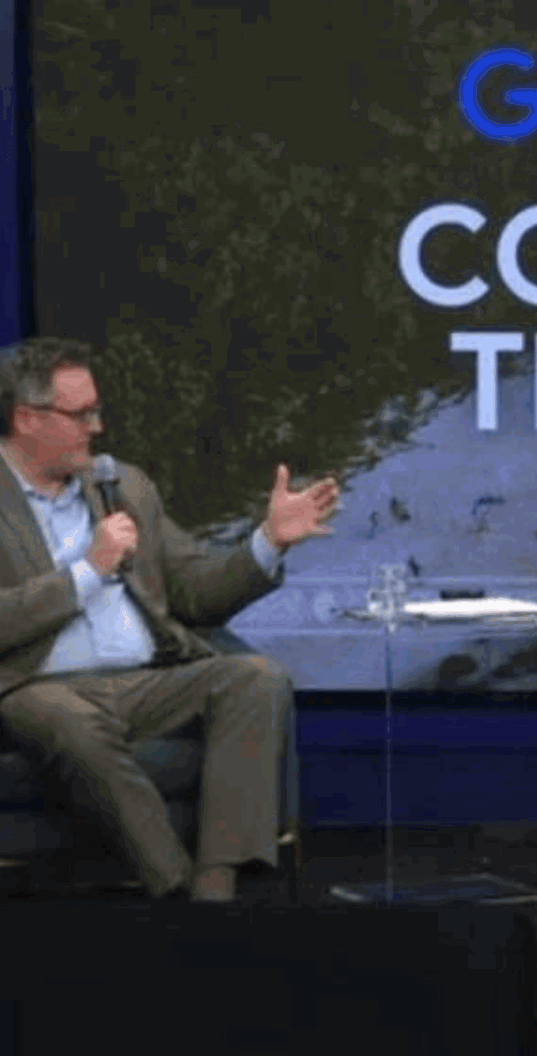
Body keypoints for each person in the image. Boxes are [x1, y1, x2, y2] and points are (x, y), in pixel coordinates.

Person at [0, 337, 340, 903]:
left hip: (148, 678)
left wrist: (267, 541)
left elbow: (196, 594)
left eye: (96, 410)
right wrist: (87, 571)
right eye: (81, 414)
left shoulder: (124, 486)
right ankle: (174, 887)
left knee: (257, 677)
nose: (98, 427)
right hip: (37, 684)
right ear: (27, 418)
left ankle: (215, 886)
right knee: (71, 722)